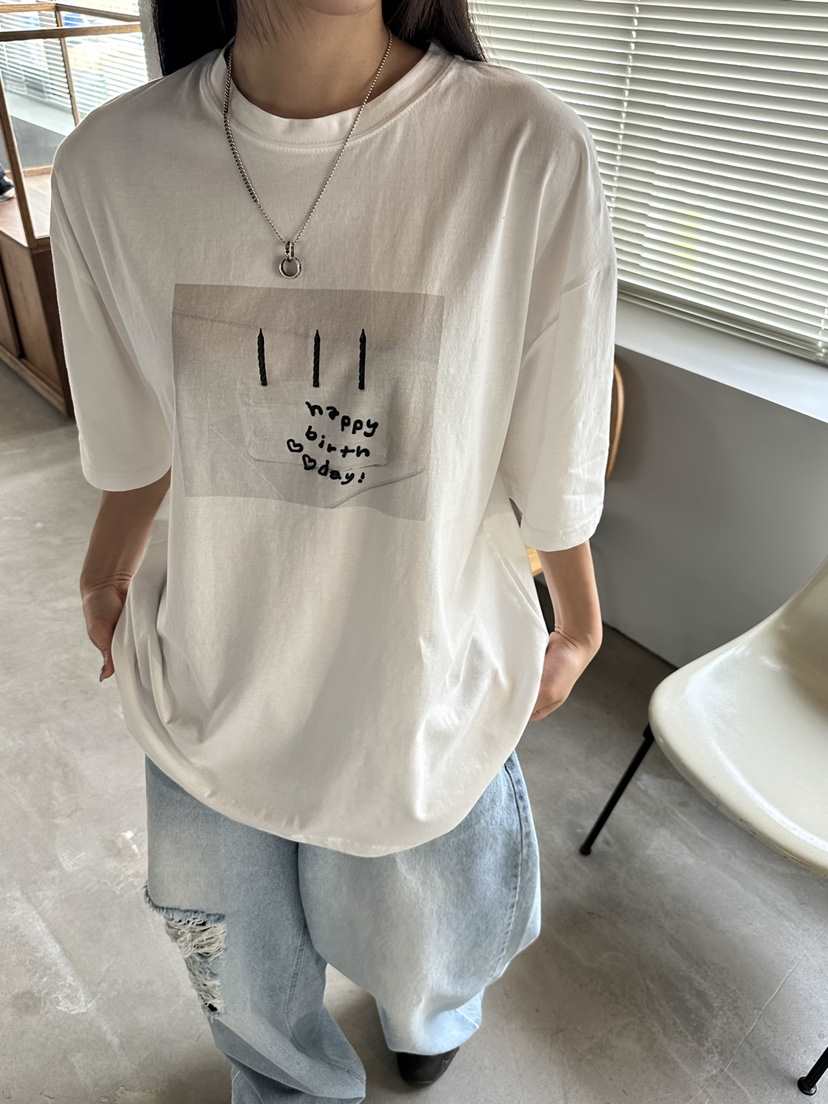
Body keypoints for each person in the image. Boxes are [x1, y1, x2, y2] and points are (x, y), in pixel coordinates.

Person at [48, 0, 617, 1100]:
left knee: (426, 929)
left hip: (421, 662)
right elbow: (141, 435)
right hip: (212, 664)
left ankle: (429, 1010)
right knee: (237, 960)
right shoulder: (109, 165)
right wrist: (106, 570)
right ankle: (286, 1082)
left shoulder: (523, 151)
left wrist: (579, 615)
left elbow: (554, 447)